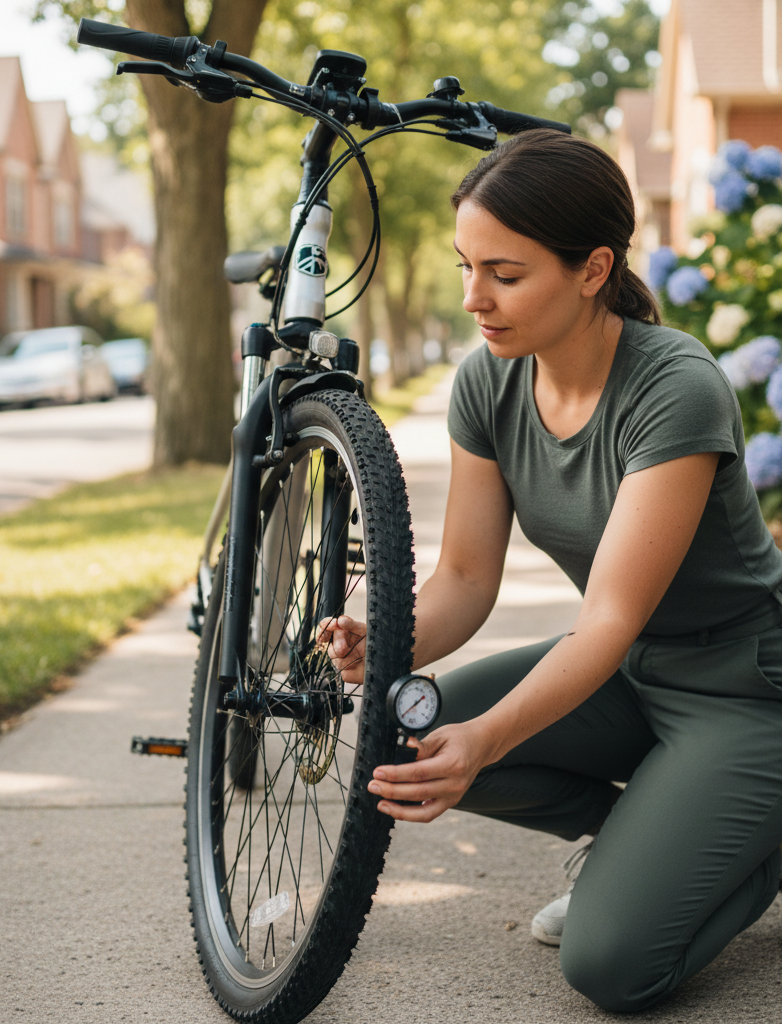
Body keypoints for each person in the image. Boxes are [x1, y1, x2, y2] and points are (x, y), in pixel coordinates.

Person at [319, 128, 782, 1013]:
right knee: (404, 725)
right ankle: (653, 839)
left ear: (593, 269)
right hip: (631, 675)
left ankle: (757, 843)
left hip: (745, 688)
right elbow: (463, 577)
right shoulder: (488, 383)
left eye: (504, 273)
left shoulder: (673, 387)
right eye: (466, 267)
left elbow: (606, 616)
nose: (473, 299)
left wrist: (488, 740)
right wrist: (384, 639)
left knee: (609, 966)